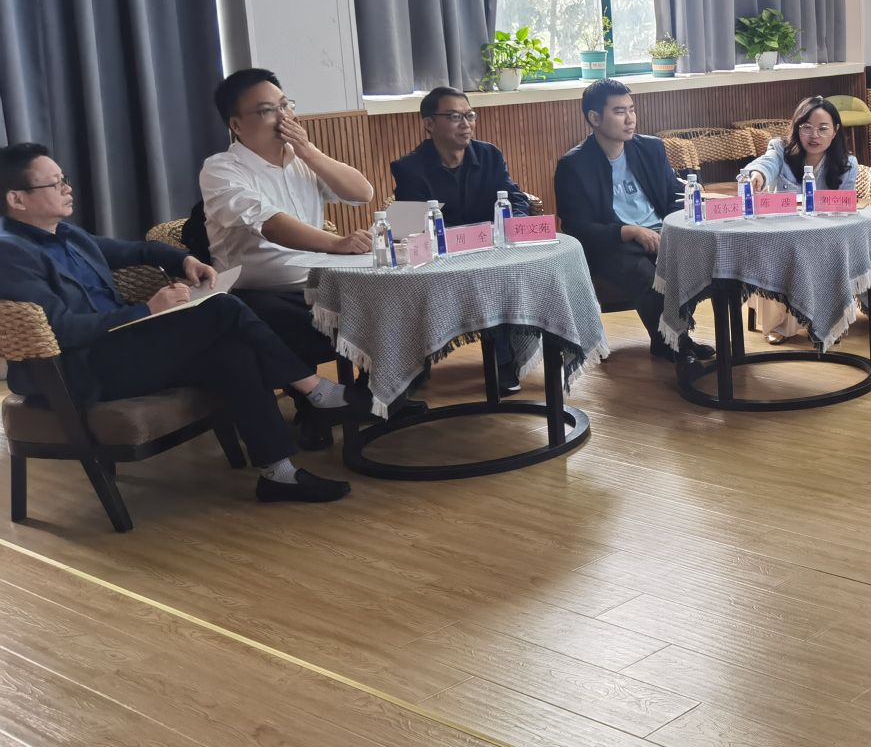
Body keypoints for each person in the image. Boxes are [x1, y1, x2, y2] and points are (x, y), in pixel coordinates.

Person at [0, 143, 353, 503]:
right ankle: (316, 391)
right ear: (17, 199)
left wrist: (185, 262)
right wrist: (146, 311)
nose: (67, 188)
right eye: (55, 183)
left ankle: (279, 475)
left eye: (64, 179)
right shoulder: (11, 252)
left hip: (122, 346)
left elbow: (139, 250)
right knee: (222, 308)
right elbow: (60, 330)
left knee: (233, 353)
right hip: (84, 368)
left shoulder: (66, 233)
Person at [199, 69, 374, 374]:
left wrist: (309, 152)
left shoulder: (301, 159)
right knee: (285, 315)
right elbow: (270, 224)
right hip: (260, 292)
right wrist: (336, 244)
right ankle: (319, 395)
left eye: (285, 105)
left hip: (318, 282)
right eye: (267, 111)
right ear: (236, 125)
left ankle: (376, 392)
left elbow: (362, 193)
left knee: (389, 296)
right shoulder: (221, 169)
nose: (284, 117)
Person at [390, 87, 532, 392]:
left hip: (491, 251)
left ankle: (505, 361)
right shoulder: (409, 168)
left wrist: (515, 223)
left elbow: (515, 198)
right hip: (441, 260)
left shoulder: (490, 155)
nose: (466, 124)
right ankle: (411, 367)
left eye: (470, 115)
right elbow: (409, 227)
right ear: (429, 124)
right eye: (454, 117)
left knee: (498, 276)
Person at [553, 80, 702, 363]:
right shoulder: (574, 165)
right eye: (619, 111)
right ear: (594, 117)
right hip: (614, 244)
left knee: (699, 259)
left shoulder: (651, 148)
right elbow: (577, 227)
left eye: (631, 109)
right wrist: (629, 231)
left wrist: (672, 228)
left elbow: (675, 195)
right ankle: (675, 343)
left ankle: (672, 340)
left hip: (662, 233)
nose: (630, 118)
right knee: (646, 274)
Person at [739, 96, 861, 343]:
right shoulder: (780, 150)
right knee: (772, 252)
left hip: (823, 235)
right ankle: (779, 323)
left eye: (823, 128)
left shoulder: (847, 164)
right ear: (797, 128)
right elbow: (765, 164)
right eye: (806, 127)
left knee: (829, 253)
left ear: (835, 130)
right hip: (783, 234)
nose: (814, 135)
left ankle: (827, 322)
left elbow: (845, 211)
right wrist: (757, 175)